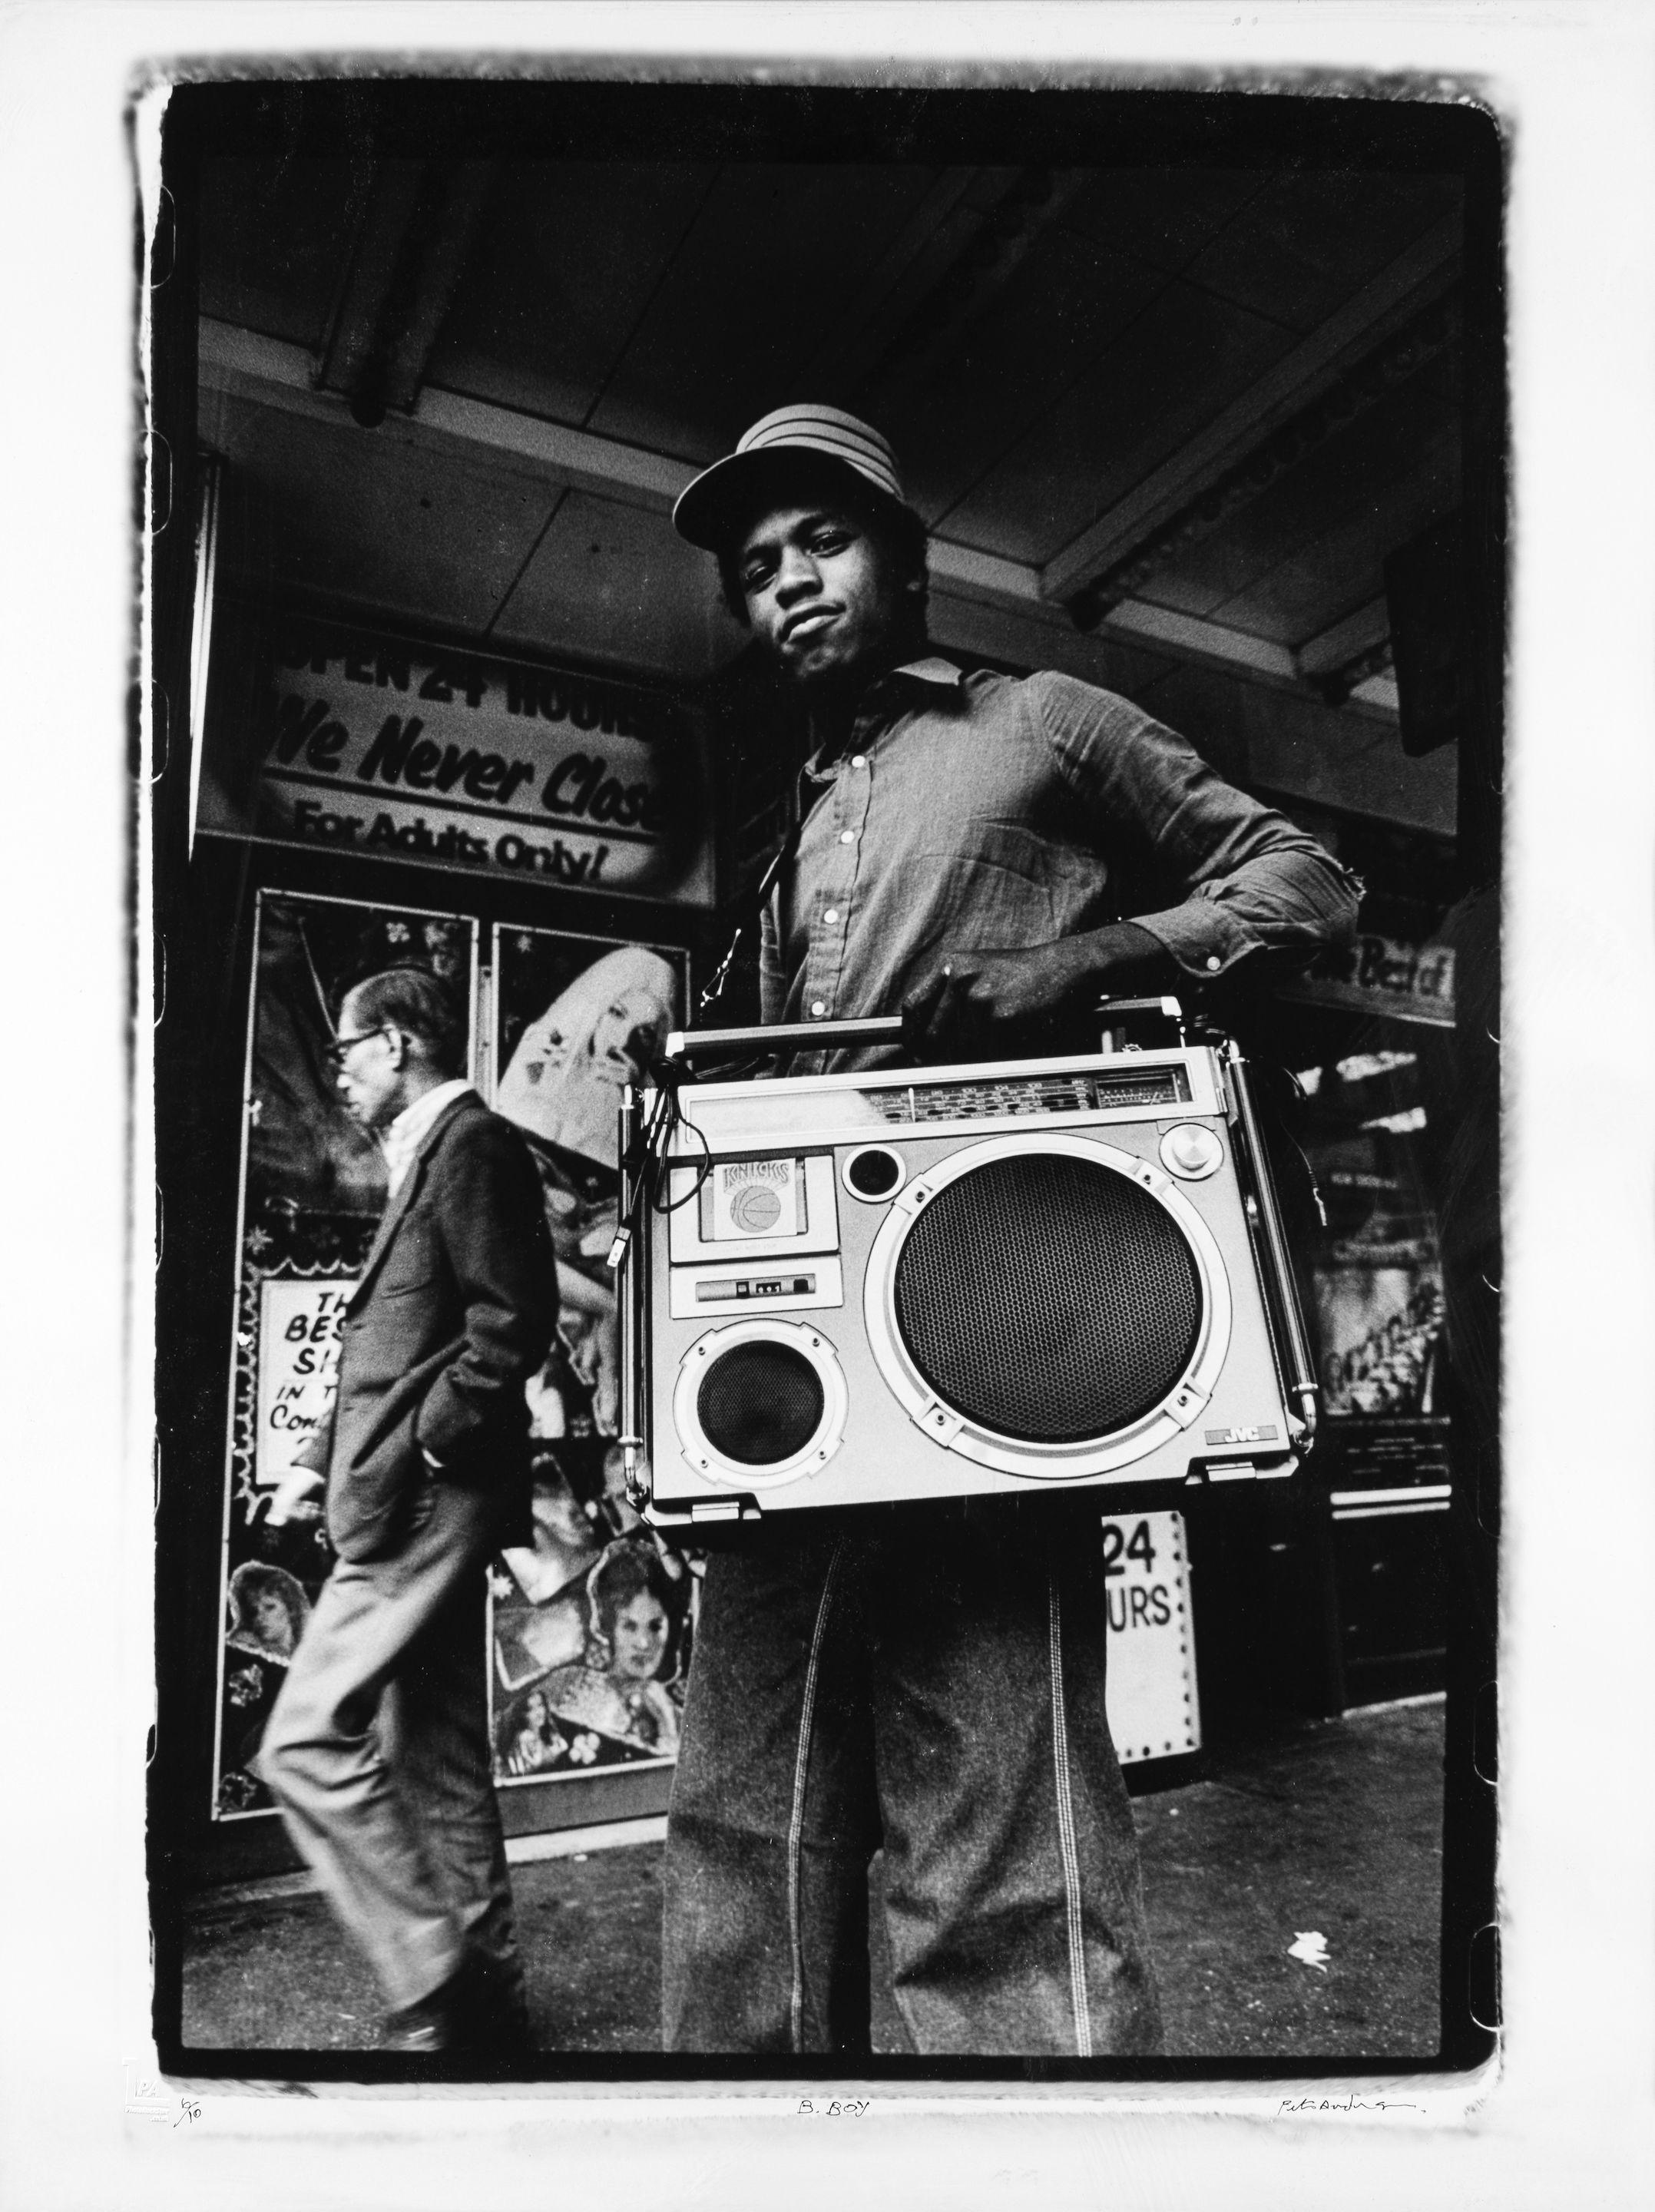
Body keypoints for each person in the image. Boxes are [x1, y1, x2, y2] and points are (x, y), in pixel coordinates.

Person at [660, 403, 1362, 2057]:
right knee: (744, 1802)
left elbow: (1306, 879)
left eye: (822, 541)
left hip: (992, 1329)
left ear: (907, 561)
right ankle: (745, 2134)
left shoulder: (1043, 719)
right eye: (757, 569)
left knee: (994, 1806)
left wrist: (1085, 959)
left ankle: (1041, 2137)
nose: (789, 584)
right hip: (801, 1368)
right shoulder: (792, 812)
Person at [258, 965, 557, 2054]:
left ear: (396, 1044)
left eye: (346, 1050)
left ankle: (435, 1979)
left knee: (302, 1740)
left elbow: (509, 1324)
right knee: (438, 1757)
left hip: (424, 1499)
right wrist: (314, 1461)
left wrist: (426, 1447)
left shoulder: (472, 1146)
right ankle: (492, 2003)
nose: (337, 1072)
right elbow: (393, 1344)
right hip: (411, 1487)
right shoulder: (432, 1150)